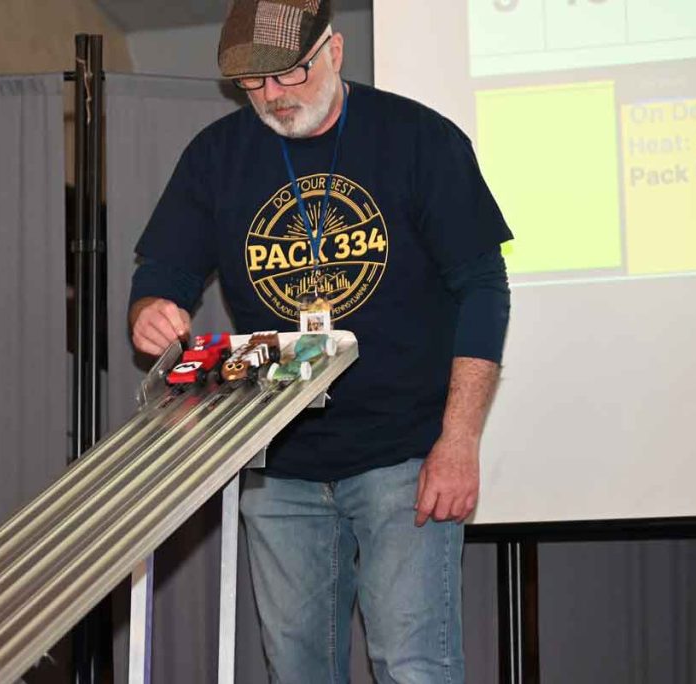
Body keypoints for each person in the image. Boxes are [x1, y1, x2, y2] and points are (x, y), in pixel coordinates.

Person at [128, 1, 512, 682]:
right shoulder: (216, 158)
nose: (273, 98)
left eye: (289, 74)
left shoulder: (419, 140)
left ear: (333, 51)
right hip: (278, 463)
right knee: (298, 670)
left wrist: (459, 442)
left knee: (413, 666)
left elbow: (482, 287)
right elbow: (166, 272)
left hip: (405, 457)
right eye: (253, 86)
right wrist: (152, 309)